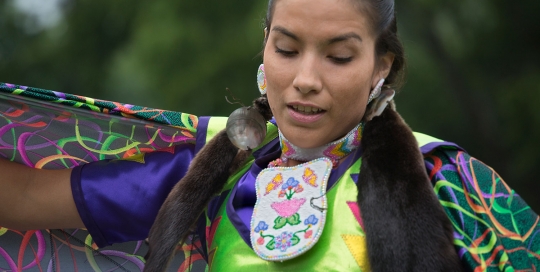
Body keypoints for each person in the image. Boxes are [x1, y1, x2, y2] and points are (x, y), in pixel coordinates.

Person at [0, 0, 539, 271]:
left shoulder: (451, 182)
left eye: (339, 56)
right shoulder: (203, 171)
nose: (306, 78)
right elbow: (23, 197)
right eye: (286, 49)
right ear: (264, 49)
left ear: (382, 66)